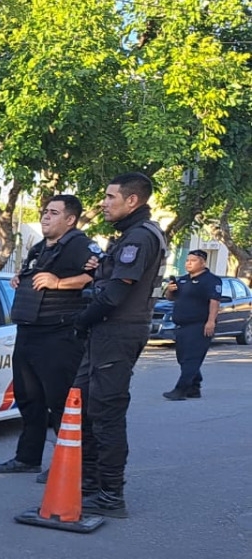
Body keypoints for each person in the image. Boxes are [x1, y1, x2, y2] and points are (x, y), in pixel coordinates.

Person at [71, 172, 167, 518]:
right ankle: (89, 483)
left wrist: (81, 320)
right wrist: (99, 269)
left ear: (132, 201)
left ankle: (111, 494)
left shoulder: (138, 238)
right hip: (108, 331)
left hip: (117, 330)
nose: (104, 203)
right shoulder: (129, 236)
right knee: (83, 405)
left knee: (106, 412)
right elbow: (110, 282)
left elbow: (115, 294)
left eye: (111, 197)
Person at [0, 194, 99, 481]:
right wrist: (21, 278)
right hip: (28, 332)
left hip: (59, 335)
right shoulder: (42, 246)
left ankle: (68, 463)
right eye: (44, 211)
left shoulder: (80, 245)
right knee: (29, 399)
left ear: (70, 219)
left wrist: (60, 282)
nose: (45, 216)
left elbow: (98, 277)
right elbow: (36, 274)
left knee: (60, 403)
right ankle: (27, 458)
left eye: (53, 212)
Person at [162, 249, 220, 400]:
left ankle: (180, 390)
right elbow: (171, 298)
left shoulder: (211, 280)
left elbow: (214, 301)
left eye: (193, 261)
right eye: (187, 260)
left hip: (199, 325)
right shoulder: (182, 279)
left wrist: (211, 321)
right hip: (182, 325)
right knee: (182, 358)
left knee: (192, 359)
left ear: (203, 263)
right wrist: (169, 290)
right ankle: (195, 387)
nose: (188, 263)